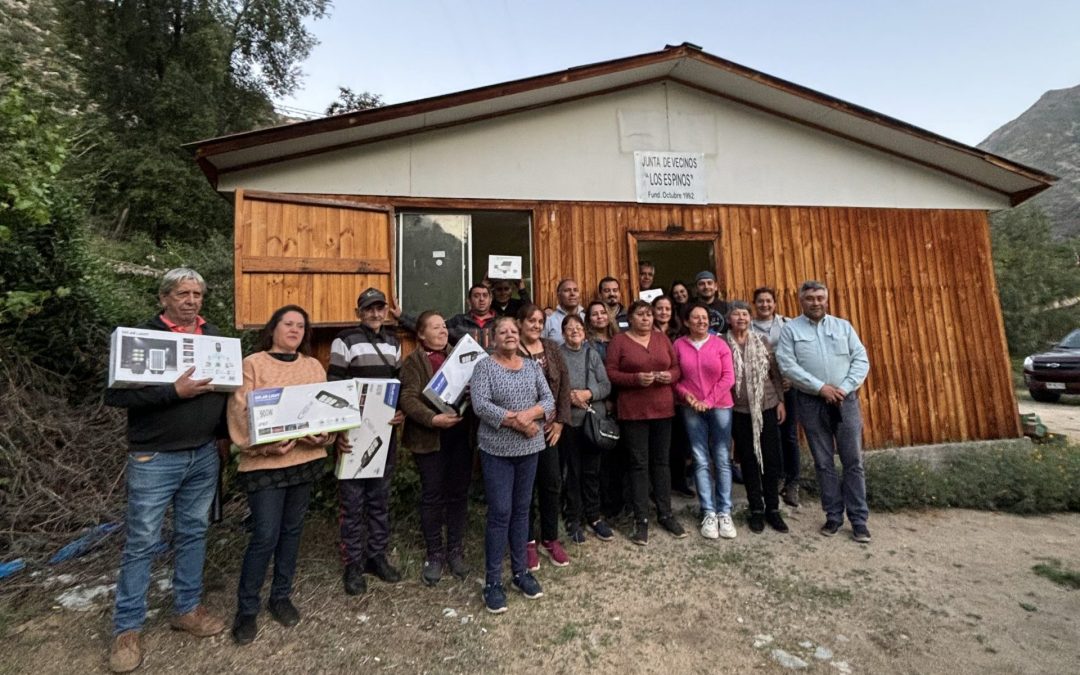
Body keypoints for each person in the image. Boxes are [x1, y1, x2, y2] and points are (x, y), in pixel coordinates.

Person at [104, 268, 227, 673]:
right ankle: (127, 629)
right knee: (142, 541)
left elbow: (227, 392)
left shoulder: (215, 338)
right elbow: (116, 394)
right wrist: (174, 391)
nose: (191, 300)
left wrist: (225, 436)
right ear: (164, 299)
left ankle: (187, 608)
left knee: (193, 532)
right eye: (182, 293)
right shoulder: (140, 336)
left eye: (197, 294)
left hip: (203, 454)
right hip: (154, 457)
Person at [226, 305, 343, 644]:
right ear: (273, 328)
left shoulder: (312, 366)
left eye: (301, 326)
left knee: (292, 531)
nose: (295, 330)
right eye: (288, 324)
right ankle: (246, 609)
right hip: (266, 464)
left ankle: (281, 596)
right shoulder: (253, 364)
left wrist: (325, 435)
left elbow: (325, 410)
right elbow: (240, 411)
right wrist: (264, 446)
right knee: (265, 534)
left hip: (304, 460)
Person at [470, 316, 556, 613]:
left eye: (513, 331)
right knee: (500, 512)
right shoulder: (484, 367)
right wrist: (519, 423)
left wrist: (528, 415)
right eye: (503, 331)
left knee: (522, 511)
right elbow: (481, 405)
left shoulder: (532, 366)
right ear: (492, 338)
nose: (509, 335)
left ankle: (520, 573)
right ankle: (492, 582)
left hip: (530, 449)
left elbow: (548, 401)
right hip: (496, 450)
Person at [776, 281, 871, 543]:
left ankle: (859, 520)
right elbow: (787, 364)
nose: (815, 302)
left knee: (853, 462)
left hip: (845, 401)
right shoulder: (791, 330)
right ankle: (833, 516)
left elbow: (861, 359)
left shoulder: (843, 327)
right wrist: (820, 388)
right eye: (809, 298)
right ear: (801, 301)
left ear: (826, 299)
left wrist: (844, 388)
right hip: (811, 401)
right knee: (823, 462)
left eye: (820, 298)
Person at [328, 288, 404, 595]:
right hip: (353, 433)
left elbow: (398, 385)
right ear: (359, 311)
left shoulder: (394, 342)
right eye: (369, 309)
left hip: (385, 431)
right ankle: (353, 565)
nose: (375, 314)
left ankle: (376, 557)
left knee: (379, 500)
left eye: (379, 308)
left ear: (386, 311)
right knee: (352, 503)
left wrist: (399, 412)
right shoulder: (344, 340)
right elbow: (334, 386)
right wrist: (339, 432)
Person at [398, 311, 472, 586]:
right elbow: (407, 398)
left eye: (444, 326)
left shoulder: (462, 356)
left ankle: (455, 550)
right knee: (432, 494)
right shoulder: (414, 361)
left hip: (459, 436)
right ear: (420, 334)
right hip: (429, 438)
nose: (442, 331)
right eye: (435, 327)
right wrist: (432, 419)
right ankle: (434, 554)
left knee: (458, 494)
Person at [605, 300, 685, 544]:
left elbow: (676, 368)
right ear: (630, 318)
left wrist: (668, 376)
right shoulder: (619, 341)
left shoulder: (661, 339)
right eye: (640, 315)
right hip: (634, 411)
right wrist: (634, 379)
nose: (646, 319)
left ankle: (665, 513)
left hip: (663, 409)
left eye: (649, 315)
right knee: (638, 464)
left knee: (661, 463)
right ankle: (641, 519)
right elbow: (610, 373)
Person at [673, 303, 737, 540]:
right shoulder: (679, 345)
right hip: (690, 408)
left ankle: (725, 511)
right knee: (699, 459)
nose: (701, 321)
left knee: (721, 458)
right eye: (696, 318)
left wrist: (709, 401)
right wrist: (686, 395)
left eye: (705, 318)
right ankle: (708, 511)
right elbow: (674, 377)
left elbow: (728, 376)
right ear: (686, 322)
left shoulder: (720, 344)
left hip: (720, 406)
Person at [517, 304, 572, 569]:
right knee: (525, 488)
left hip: (550, 430)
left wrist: (560, 421)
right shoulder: (511, 350)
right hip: (523, 431)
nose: (536, 325)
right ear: (520, 323)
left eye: (540, 321)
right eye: (531, 321)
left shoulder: (551, 348)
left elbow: (564, 386)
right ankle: (527, 541)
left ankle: (550, 538)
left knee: (551, 483)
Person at [726, 301, 788, 534]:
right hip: (739, 410)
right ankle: (756, 509)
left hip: (767, 405)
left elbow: (775, 372)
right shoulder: (723, 343)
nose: (741, 318)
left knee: (771, 459)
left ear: (750, 318)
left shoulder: (762, 341)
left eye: (744, 314)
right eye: (736, 314)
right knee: (749, 460)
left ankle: (773, 508)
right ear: (729, 319)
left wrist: (781, 400)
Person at [558, 314, 614, 542]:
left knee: (592, 471)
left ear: (584, 331)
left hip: (592, 422)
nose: (574, 331)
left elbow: (606, 385)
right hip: (569, 422)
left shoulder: (592, 354)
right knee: (572, 472)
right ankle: (573, 518)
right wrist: (568, 397)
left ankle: (593, 516)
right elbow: (551, 385)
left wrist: (588, 394)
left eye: (578, 327)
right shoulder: (557, 355)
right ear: (562, 333)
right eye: (569, 328)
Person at [751, 286, 800, 507]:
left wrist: (792, 377)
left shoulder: (787, 324)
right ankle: (776, 477)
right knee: (770, 436)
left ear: (774, 303)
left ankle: (792, 482)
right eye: (760, 301)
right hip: (765, 389)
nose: (764, 305)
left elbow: (798, 353)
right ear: (755, 304)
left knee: (789, 434)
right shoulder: (749, 326)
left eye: (768, 301)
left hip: (789, 385)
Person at [542, 278, 584, 344]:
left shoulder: (587, 319)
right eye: (567, 290)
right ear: (558, 296)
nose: (572, 293)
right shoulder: (549, 320)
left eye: (575, 290)